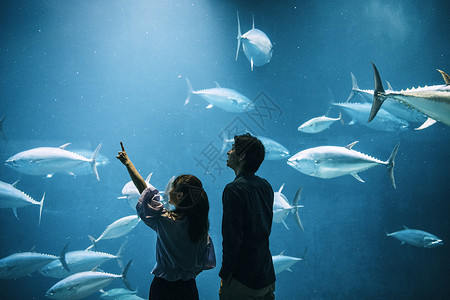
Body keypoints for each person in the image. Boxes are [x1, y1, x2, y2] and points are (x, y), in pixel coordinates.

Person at [117, 142, 215, 300]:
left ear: (179, 196)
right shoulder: (202, 231)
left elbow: (146, 191)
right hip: (188, 289)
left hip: (162, 287)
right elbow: (205, 264)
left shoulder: (164, 220)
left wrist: (128, 163)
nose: (168, 190)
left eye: (173, 188)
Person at [219, 133, 276, 299]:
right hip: (266, 274)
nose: (228, 152)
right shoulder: (265, 186)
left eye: (233, 149)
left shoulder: (233, 190)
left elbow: (232, 237)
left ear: (242, 156)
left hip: (241, 279)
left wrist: (226, 273)